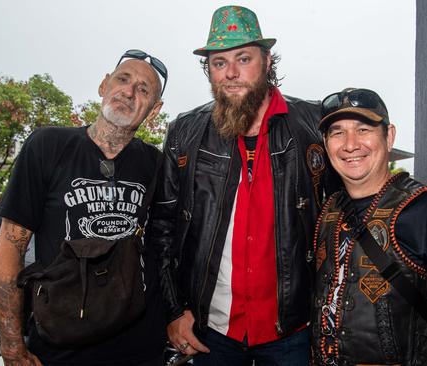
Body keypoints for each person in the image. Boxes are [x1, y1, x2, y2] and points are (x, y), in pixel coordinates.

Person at [149, 5, 330, 365]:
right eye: (219, 63)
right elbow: (161, 230)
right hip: (212, 333)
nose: (231, 73)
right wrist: (173, 310)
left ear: (266, 61)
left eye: (243, 58)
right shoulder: (185, 132)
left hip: (293, 333)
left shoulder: (315, 124)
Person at [0, 49, 168, 365]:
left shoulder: (157, 164)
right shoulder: (48, 146)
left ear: (153, 111)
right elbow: (9, 247)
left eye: (143, 90)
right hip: (62, 344)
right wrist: (12, 343)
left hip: (139, 346)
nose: (128, 92)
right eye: (122, 79)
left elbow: (166, 247)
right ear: (104, 85)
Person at [311, 88, 427, 365]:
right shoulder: (328, 209)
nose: (350, 144)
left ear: (389, 135)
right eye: (337, 132)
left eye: (363, 129)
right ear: (325, 143)